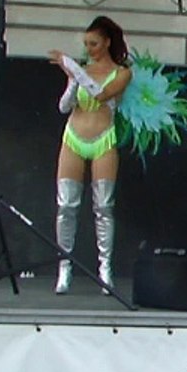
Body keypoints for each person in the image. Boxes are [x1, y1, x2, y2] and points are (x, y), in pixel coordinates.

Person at [48, 16, 133, 295]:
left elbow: (100, 94)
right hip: (73, 137)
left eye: (94, 43)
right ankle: (64, 268)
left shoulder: (122, 72)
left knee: (103, 207)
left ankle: (104, 269)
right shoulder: (81, 70)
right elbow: (64, 107)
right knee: (66, 206)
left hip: (103, 139)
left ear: (107, 42)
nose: (89, 49)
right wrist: (72, 79)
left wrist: (71, 67)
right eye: (86, 44)